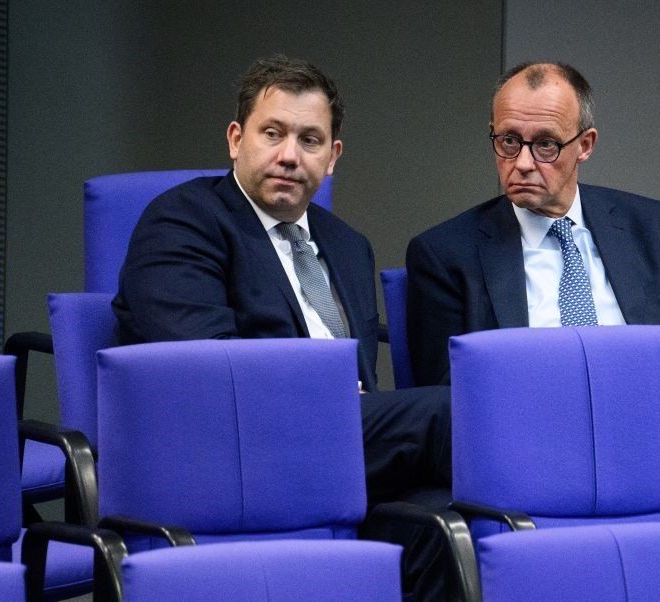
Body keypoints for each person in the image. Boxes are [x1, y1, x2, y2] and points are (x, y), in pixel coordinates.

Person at [112, 55, 451, 599]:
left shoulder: (346, 244)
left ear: (333, 156)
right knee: (455, 410)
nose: (289, 155)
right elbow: (207, 370)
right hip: (233, 448)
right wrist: (324, 388)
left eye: (310, 140)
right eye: (273, 133)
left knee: (441, 521)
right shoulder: (183, 220)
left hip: (336, 453)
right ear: (235, 138)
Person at [406, 61, 660, 490]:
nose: (522, 163)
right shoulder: (445, 254)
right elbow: (449, 403)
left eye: (546, 145)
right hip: (536, 464)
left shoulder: (653, 227)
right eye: (508, 141)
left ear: (585, 145)